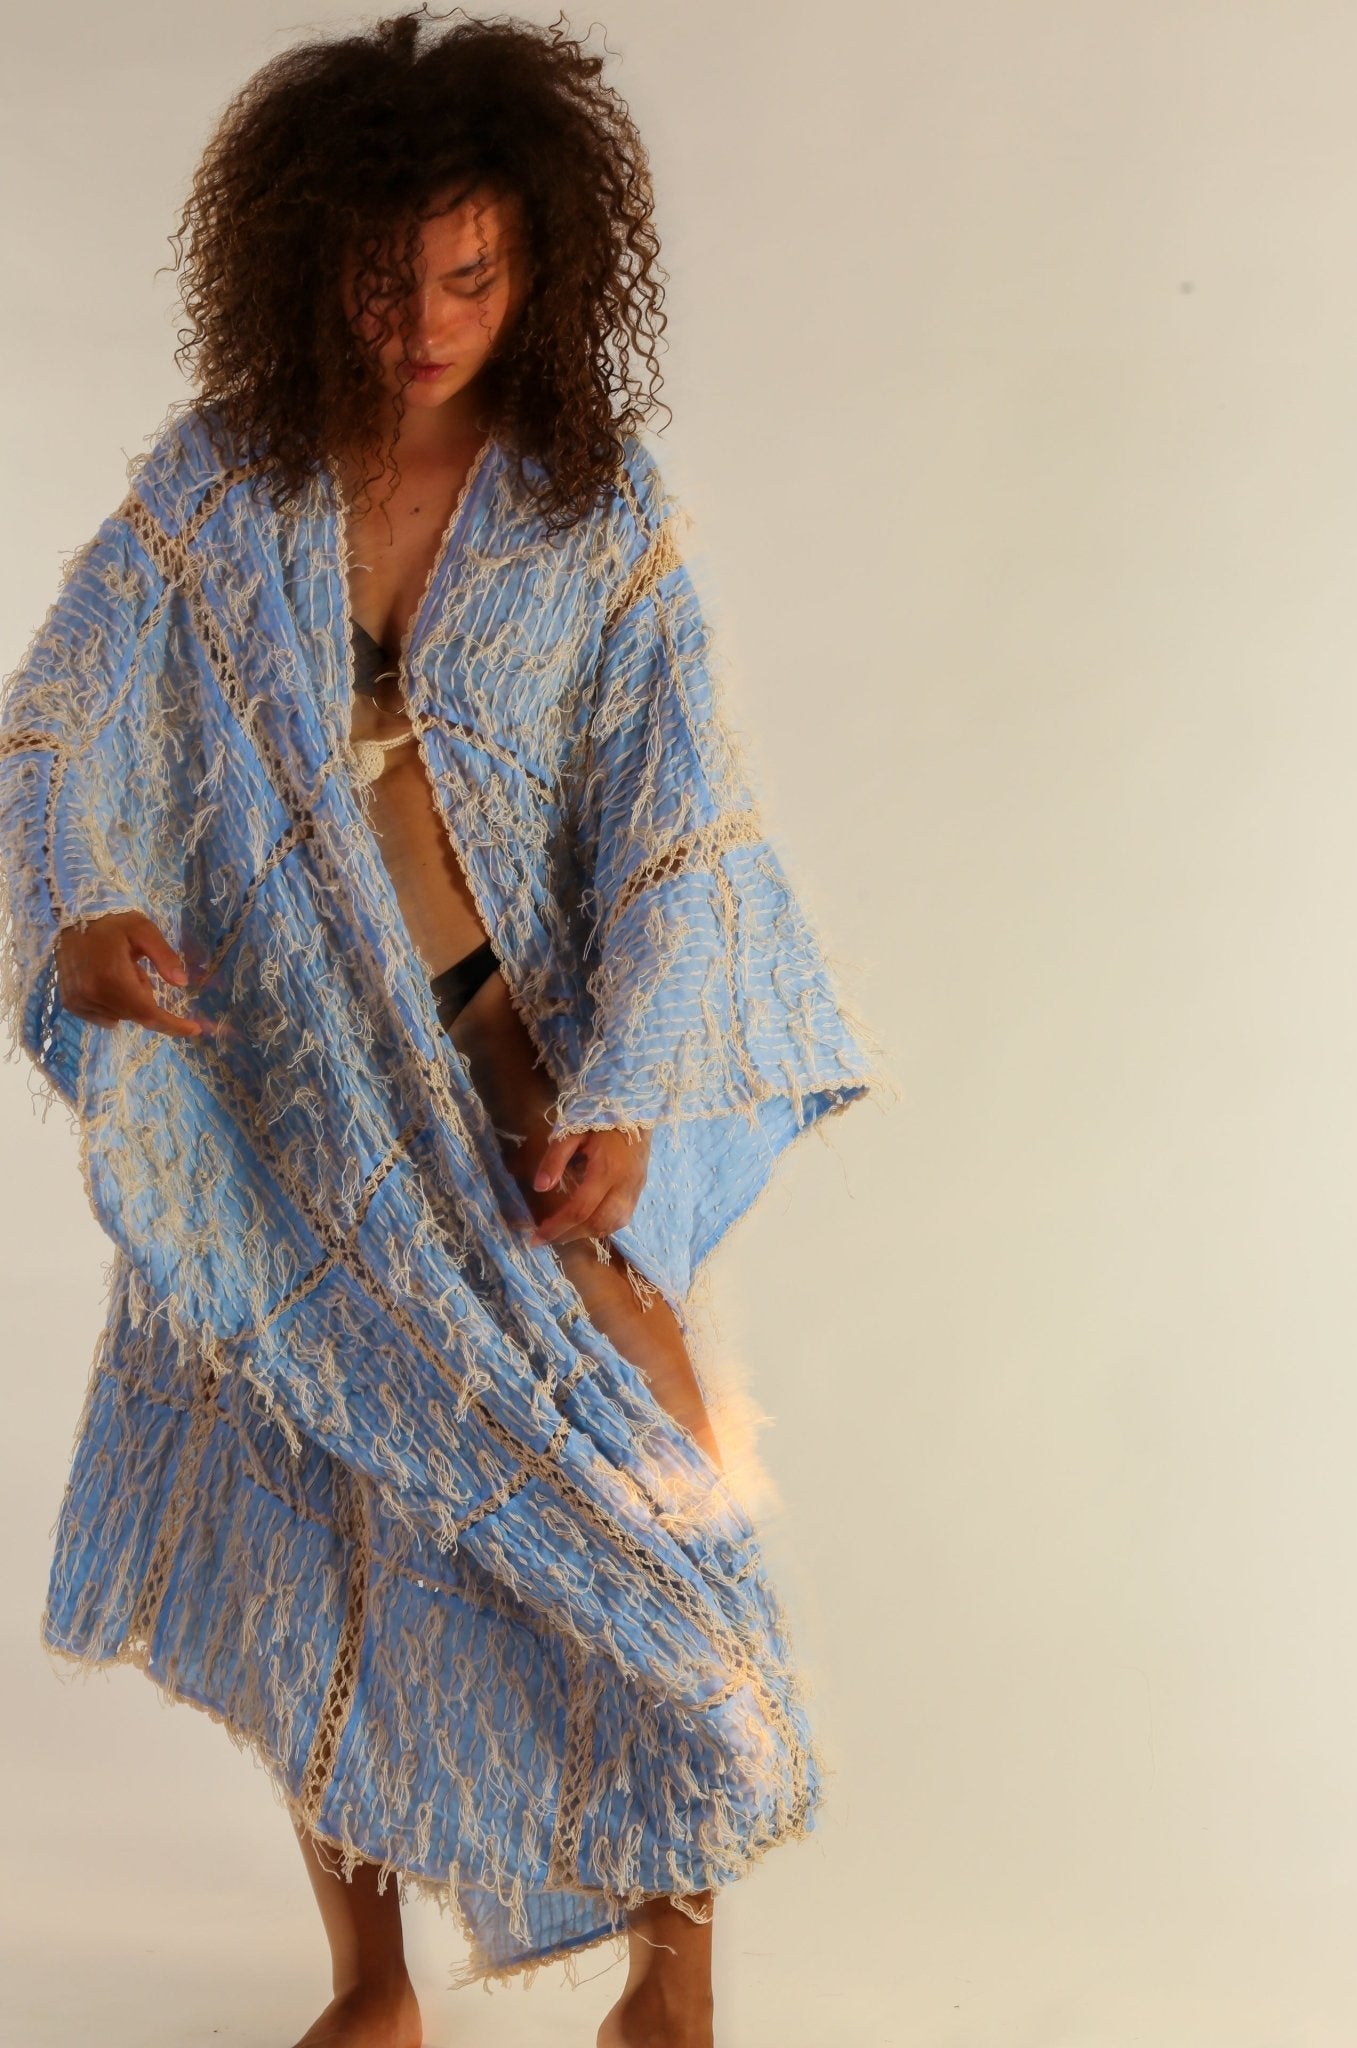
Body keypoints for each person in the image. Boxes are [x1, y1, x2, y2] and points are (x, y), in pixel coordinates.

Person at [0, 13, 884, 2047]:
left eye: (468, 278)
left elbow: (673, 822)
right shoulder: (215, 492)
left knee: (648, 1495)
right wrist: (78, 912)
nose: (422, 325)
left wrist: (632, 1090)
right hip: (284, 1097)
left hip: (515, 1075)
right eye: (382, 280)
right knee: (321, 1515)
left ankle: (671, 1983)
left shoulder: (590, 509)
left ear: (538, 264)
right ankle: (370, 1987)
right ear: (308, 261)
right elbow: (55, 721)